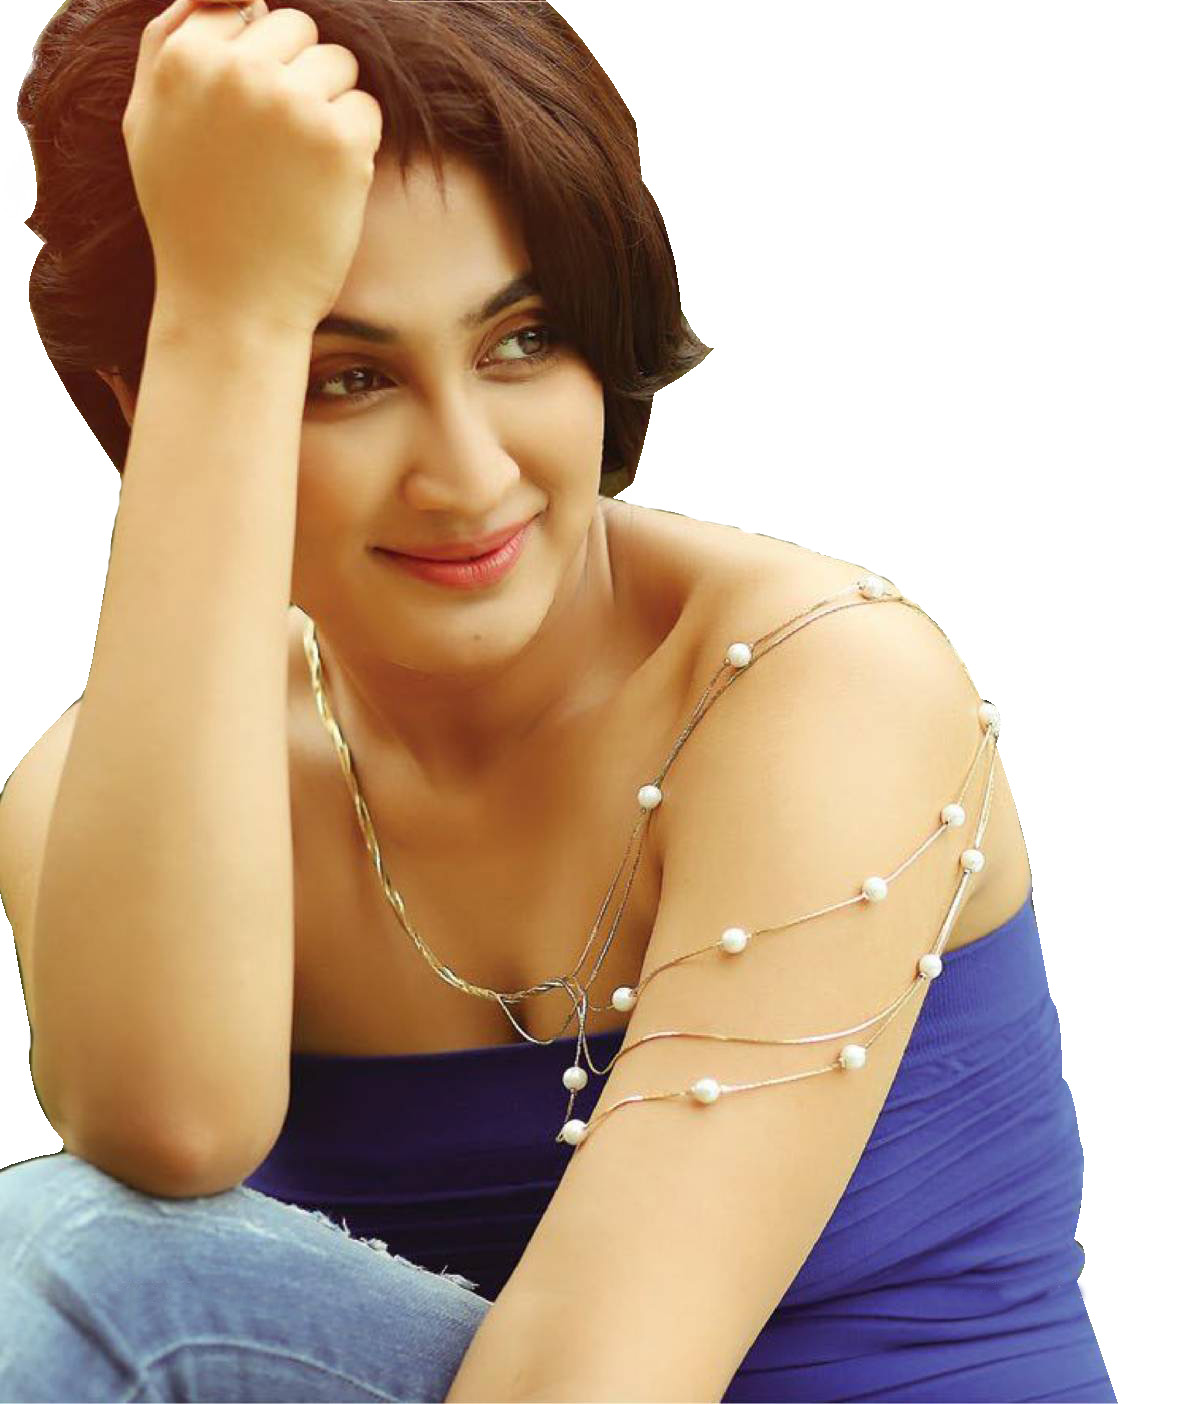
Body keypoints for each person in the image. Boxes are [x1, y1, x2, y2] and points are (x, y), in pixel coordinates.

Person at [0, 2, 1116, 1400]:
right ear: (151, 402)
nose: (470, 475)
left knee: (63, 1264)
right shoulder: (95, 792)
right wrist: (225, 321)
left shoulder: (823, 689)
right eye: (347, 377)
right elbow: (171, 1130)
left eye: (521, 341)